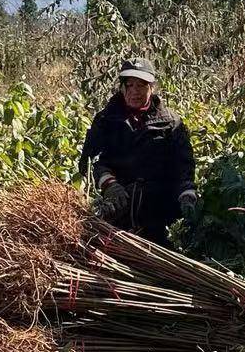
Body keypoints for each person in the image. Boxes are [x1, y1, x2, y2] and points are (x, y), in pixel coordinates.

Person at [78, 57, 197, 244]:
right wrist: (110, 184)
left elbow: (183, 166)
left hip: (160, 216)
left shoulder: (171, 123)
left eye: (141, 85)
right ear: (122, 87)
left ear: (152, 88)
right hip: (118, 215)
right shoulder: (105, 120)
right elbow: (91, 161)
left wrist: (187, 194)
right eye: (130, 85)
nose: (134, 92)